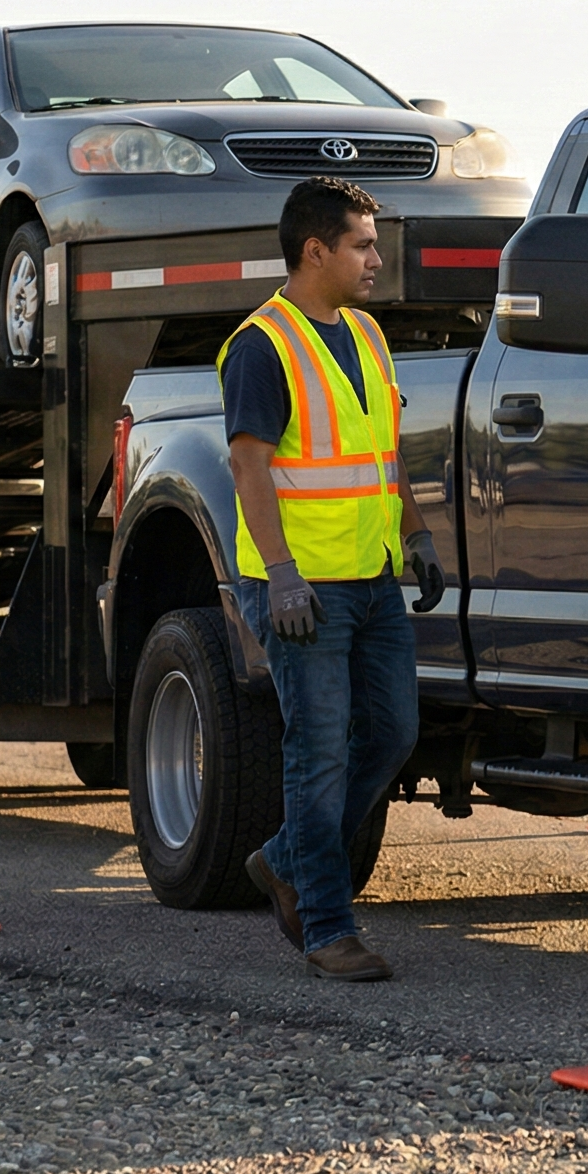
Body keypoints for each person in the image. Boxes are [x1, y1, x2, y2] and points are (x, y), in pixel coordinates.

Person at [219, 176, 445, 981]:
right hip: (302, 588)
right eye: (362, 245)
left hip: (373, 578)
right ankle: (325, 925)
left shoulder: (368, 337)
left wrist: (416, 535)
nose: (376, 259)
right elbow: (248, 467)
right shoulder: (263, 344)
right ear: (315, 251)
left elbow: (385, 455)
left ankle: (286, 859)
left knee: (390, 733)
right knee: (317, 755)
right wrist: (279, 576)